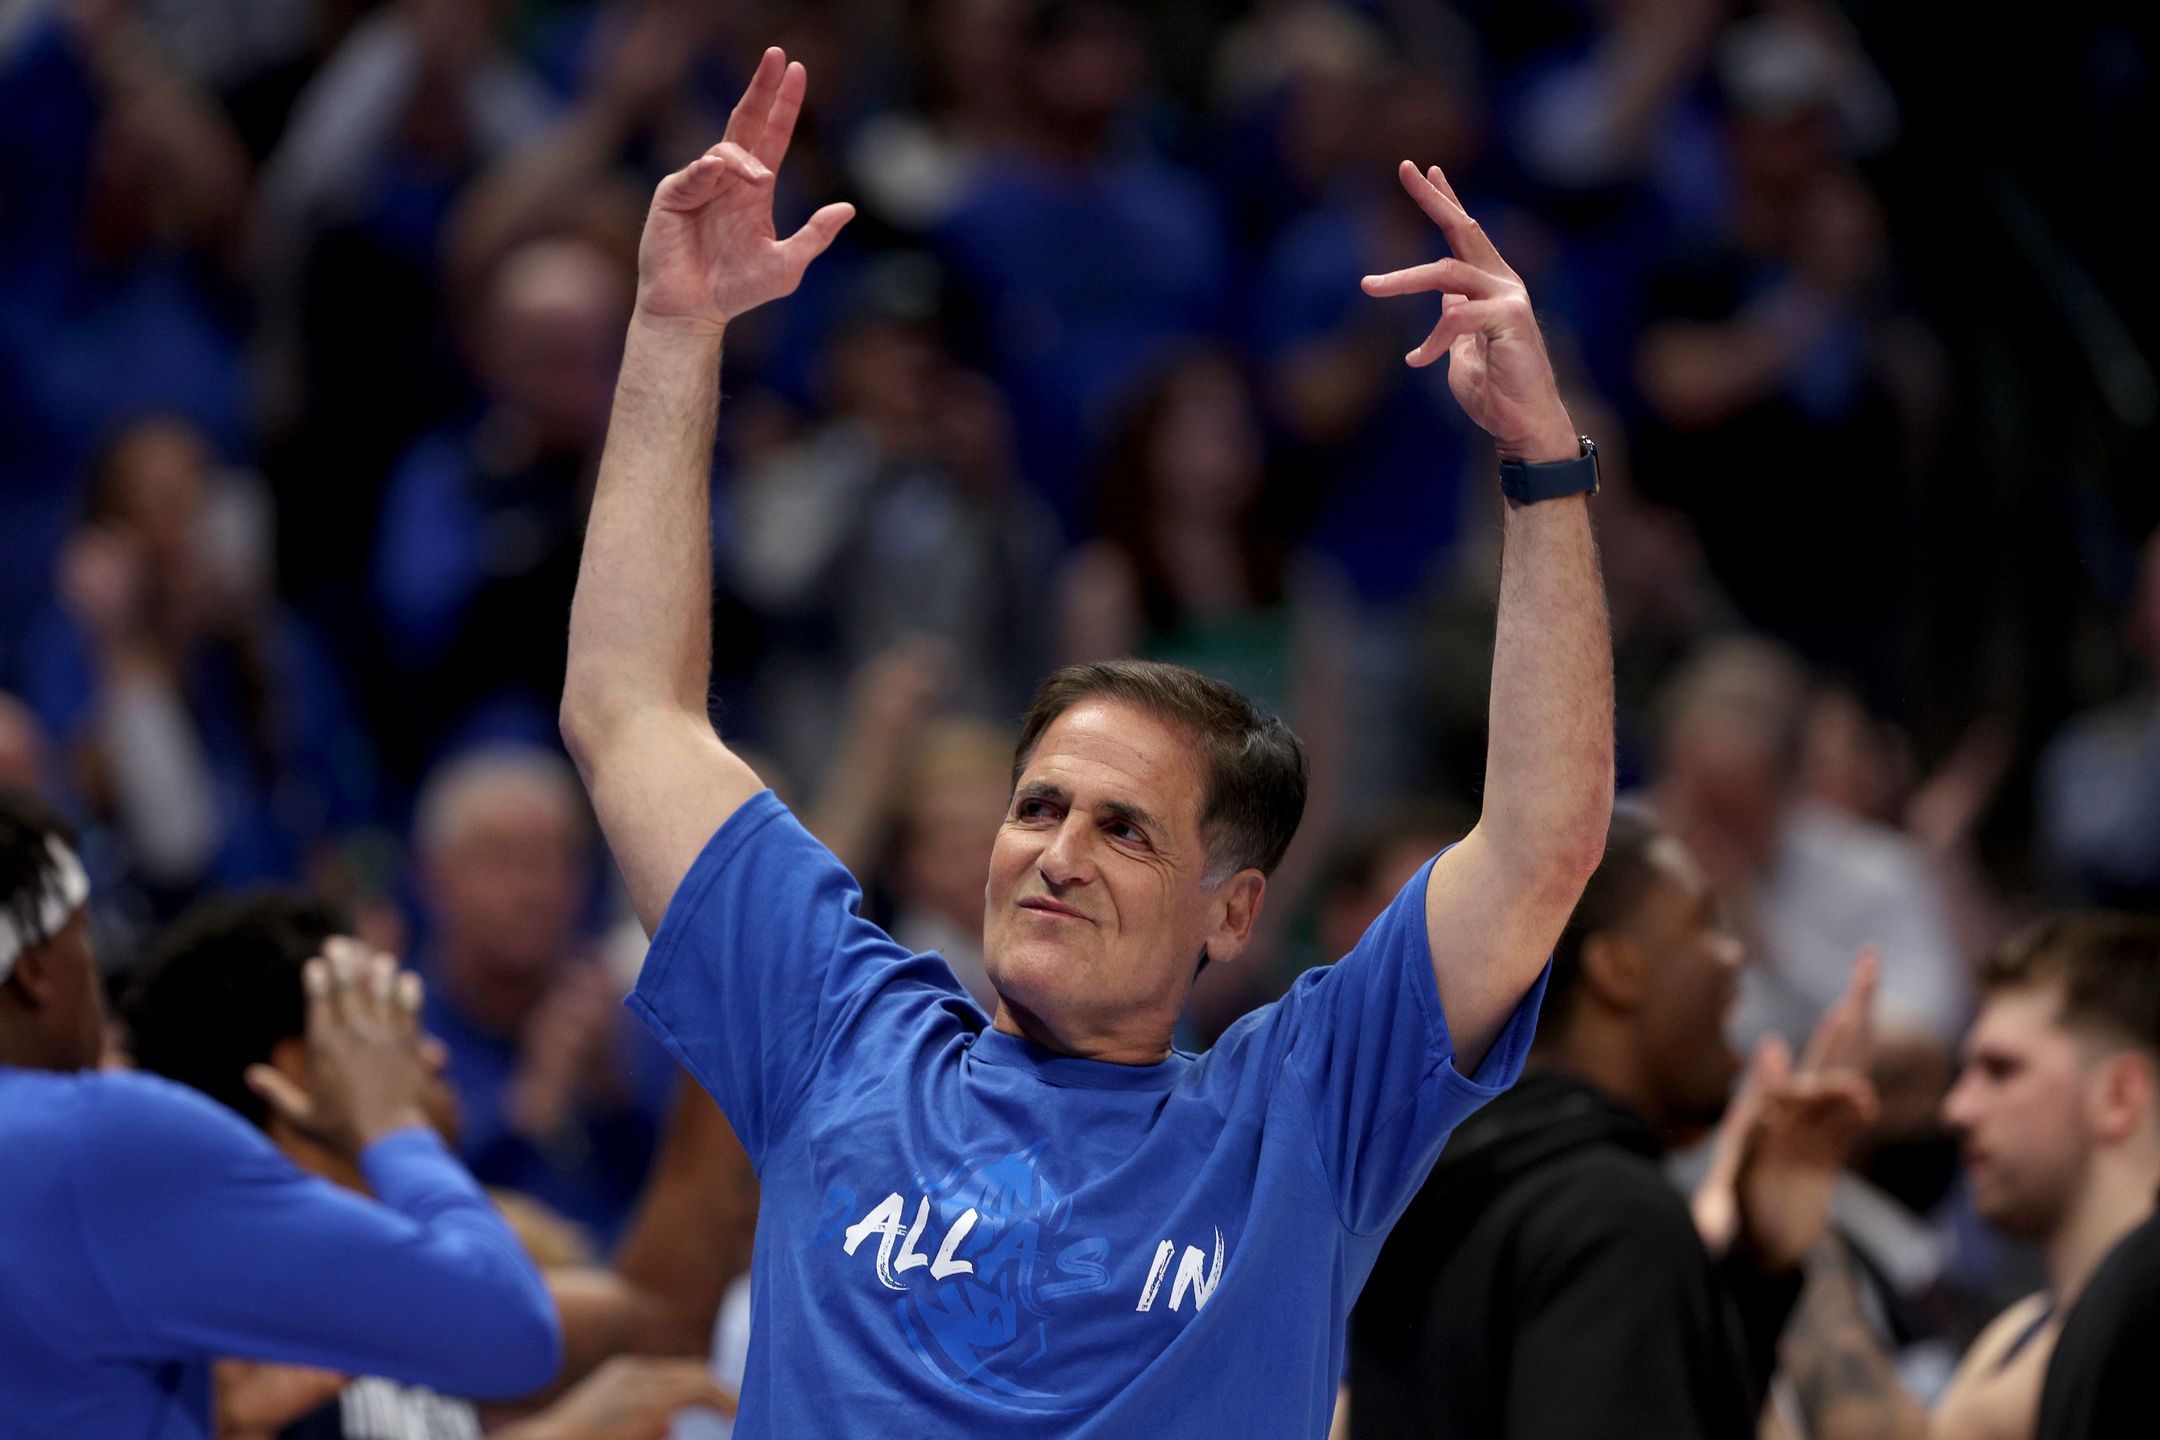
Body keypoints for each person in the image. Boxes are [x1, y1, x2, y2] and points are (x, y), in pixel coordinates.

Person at [558, 46, 1612, 1436]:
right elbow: (627, 712)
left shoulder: (1298, 1115)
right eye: (1039, 806)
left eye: (1125, 830)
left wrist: (1543, 466)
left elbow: (1541, 845)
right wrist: (674, 327)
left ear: (1233, 910)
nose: (1058, 854)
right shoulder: (839, 1033)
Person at [0, 788, 561, 1439]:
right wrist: (394, 1123)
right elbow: (511, 1333)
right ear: (36, 969)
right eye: (84, 942)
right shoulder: (90, 1144)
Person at [123, 888, 737, 1440]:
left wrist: (739, 973)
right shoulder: (204, 1326)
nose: (436, 1056)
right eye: (397, 1030)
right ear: (306, 1071)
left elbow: (660, 1323)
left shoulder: (402, 1281)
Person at [1346, 809, 1878, 1438]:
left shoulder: (1426, 1189)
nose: (1736, 958)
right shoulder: (1613, 1219)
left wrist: (1759, 1274)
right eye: (1706, 924)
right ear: (1617, 970)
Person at [1775, 913, 2160, 1440]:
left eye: (2001, 1070)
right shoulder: (2013, 1339)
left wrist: (1794, 1218)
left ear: (2118, 1095)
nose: (1956, 1109)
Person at [412, 745, 677, 1245]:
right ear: (435, 880)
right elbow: (388, 1200)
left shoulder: (628, 1015)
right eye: (500, 862)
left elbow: (696, 1193)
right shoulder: (397, 1033)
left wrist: (614, 1098)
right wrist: (521, 1113)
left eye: (547, 862)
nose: (528, 891)